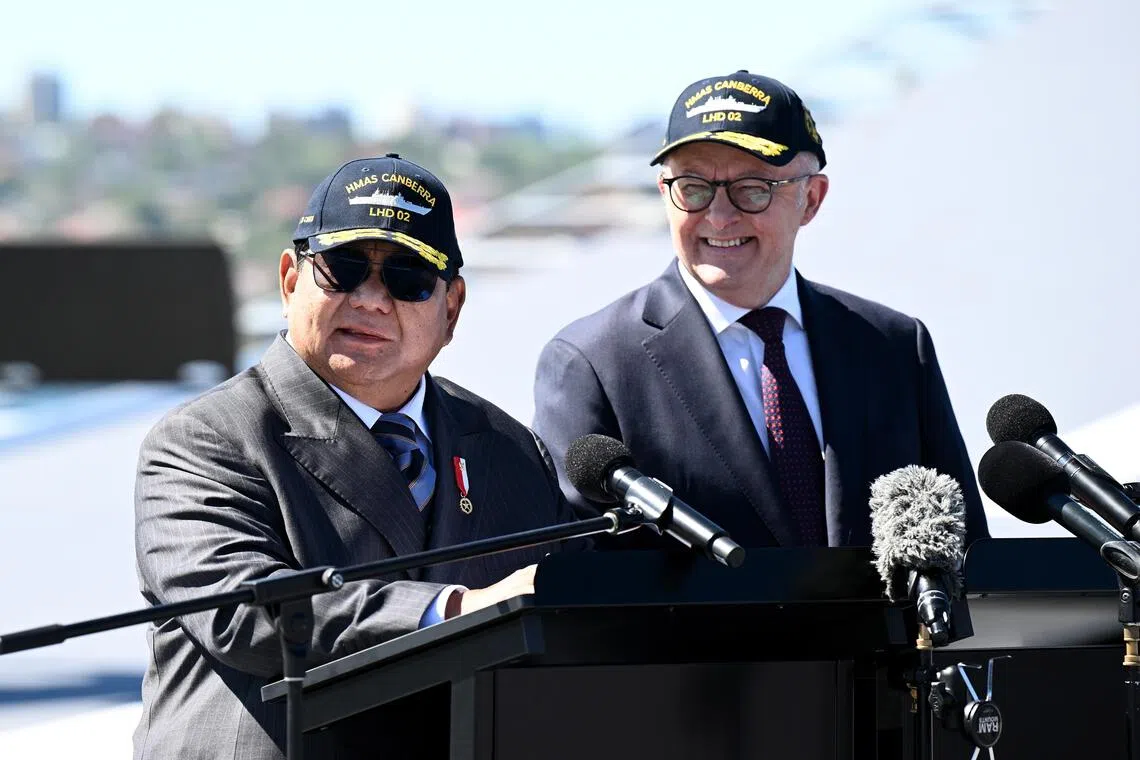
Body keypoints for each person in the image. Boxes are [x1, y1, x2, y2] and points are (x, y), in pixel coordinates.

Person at [134, 154, 575, 759]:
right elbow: (247, 614)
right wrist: (457, 610)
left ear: (452, 308)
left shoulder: (508, 449)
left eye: (408, 278)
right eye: (342, 268)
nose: (370, 299)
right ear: (290, 280)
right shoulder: (204, 440)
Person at [533, 70, 989, 549]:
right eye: (693, 187)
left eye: (752, 188)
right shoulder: (592, 363)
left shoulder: (892, 346)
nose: (719, 216)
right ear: (663, 192)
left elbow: (965, 554)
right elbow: (575, 574)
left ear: (810, 199)